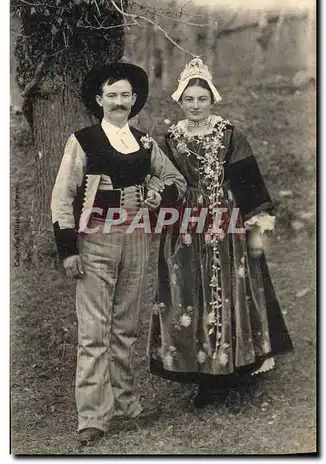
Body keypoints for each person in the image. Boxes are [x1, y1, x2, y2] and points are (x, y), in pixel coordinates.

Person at [51, 61, 187, 446]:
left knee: (126, 326)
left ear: (134, 100)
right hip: (95, 240)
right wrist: (68, 250)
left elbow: (175, 179)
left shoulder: (144, 142)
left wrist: (157, 193)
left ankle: (126, 406)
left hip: (137, 238)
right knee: (94, 331)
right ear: (99, 100)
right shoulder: (83, 141)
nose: (119, 102)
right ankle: (93, 417)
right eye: (112, 95)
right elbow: (62, 198)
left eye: (126, 95)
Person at [147, 58, 293, 408]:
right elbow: (166, 180)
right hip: (185, 225)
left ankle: (232, 370)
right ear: (180, 101)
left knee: (228, 286)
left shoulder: (229, 134)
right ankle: (201, 375)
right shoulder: (170, 139)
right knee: (189, 291)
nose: (195, 106)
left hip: (227, 222)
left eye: (202, 99)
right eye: (189, 100)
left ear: (212, 99)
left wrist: (258, 214)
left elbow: (246, 177)